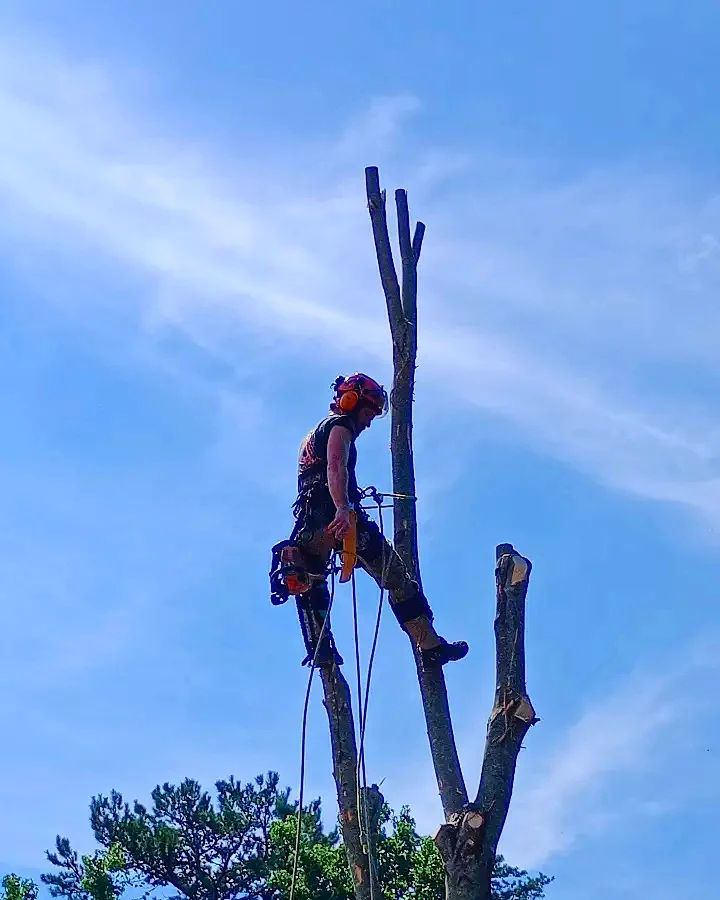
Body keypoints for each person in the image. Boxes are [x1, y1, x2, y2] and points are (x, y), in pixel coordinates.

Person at [271, 373, 468, 669]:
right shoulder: (339, 427)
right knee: (396, 576)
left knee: (310, 579)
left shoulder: (314, 435)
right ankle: (429, 644)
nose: (368, 422)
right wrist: (341, 508)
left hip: (311, 521)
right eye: (367, 413)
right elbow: (336, 467)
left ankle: (321, 649)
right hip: (334, 517)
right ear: (351, 403)